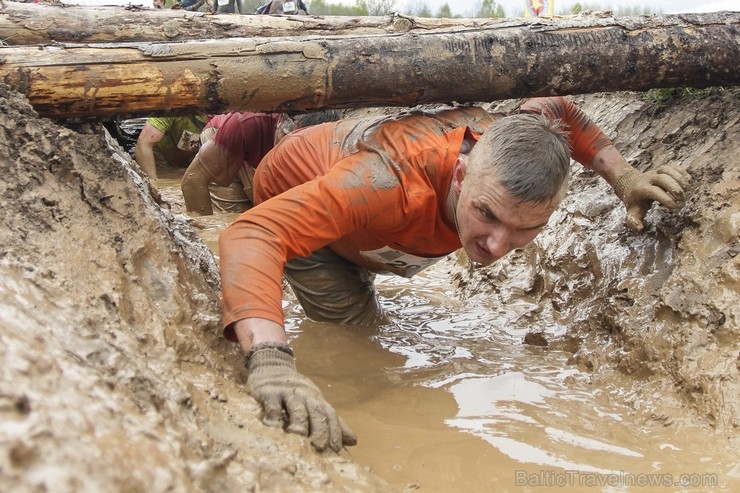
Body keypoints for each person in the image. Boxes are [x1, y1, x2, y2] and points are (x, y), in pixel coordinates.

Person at [217, 97, 689, 453]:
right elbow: (253, 233)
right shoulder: (387, 184)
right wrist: (271, 360)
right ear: (461, 176)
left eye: (527, 229)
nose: (497, 247)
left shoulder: (520, 130)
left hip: (375, 203)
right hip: (300, 183)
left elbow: (562, 110)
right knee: (352, 334)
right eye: (487, 214)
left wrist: (624, 177)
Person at [181, 110, 341, 215]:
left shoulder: (334, 142)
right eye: (289, 144)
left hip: (256, 144)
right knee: (236, 219)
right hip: (225, 141)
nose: (292, 154)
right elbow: (193, 181)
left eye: (301, 151)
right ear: (281, 124)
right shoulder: (245, 124)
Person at [134, 115, 209, 179]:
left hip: (192, 163)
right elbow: (144, 143)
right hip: (160, 161)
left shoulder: (220, 120)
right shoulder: (174, 106)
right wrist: (153, 183)